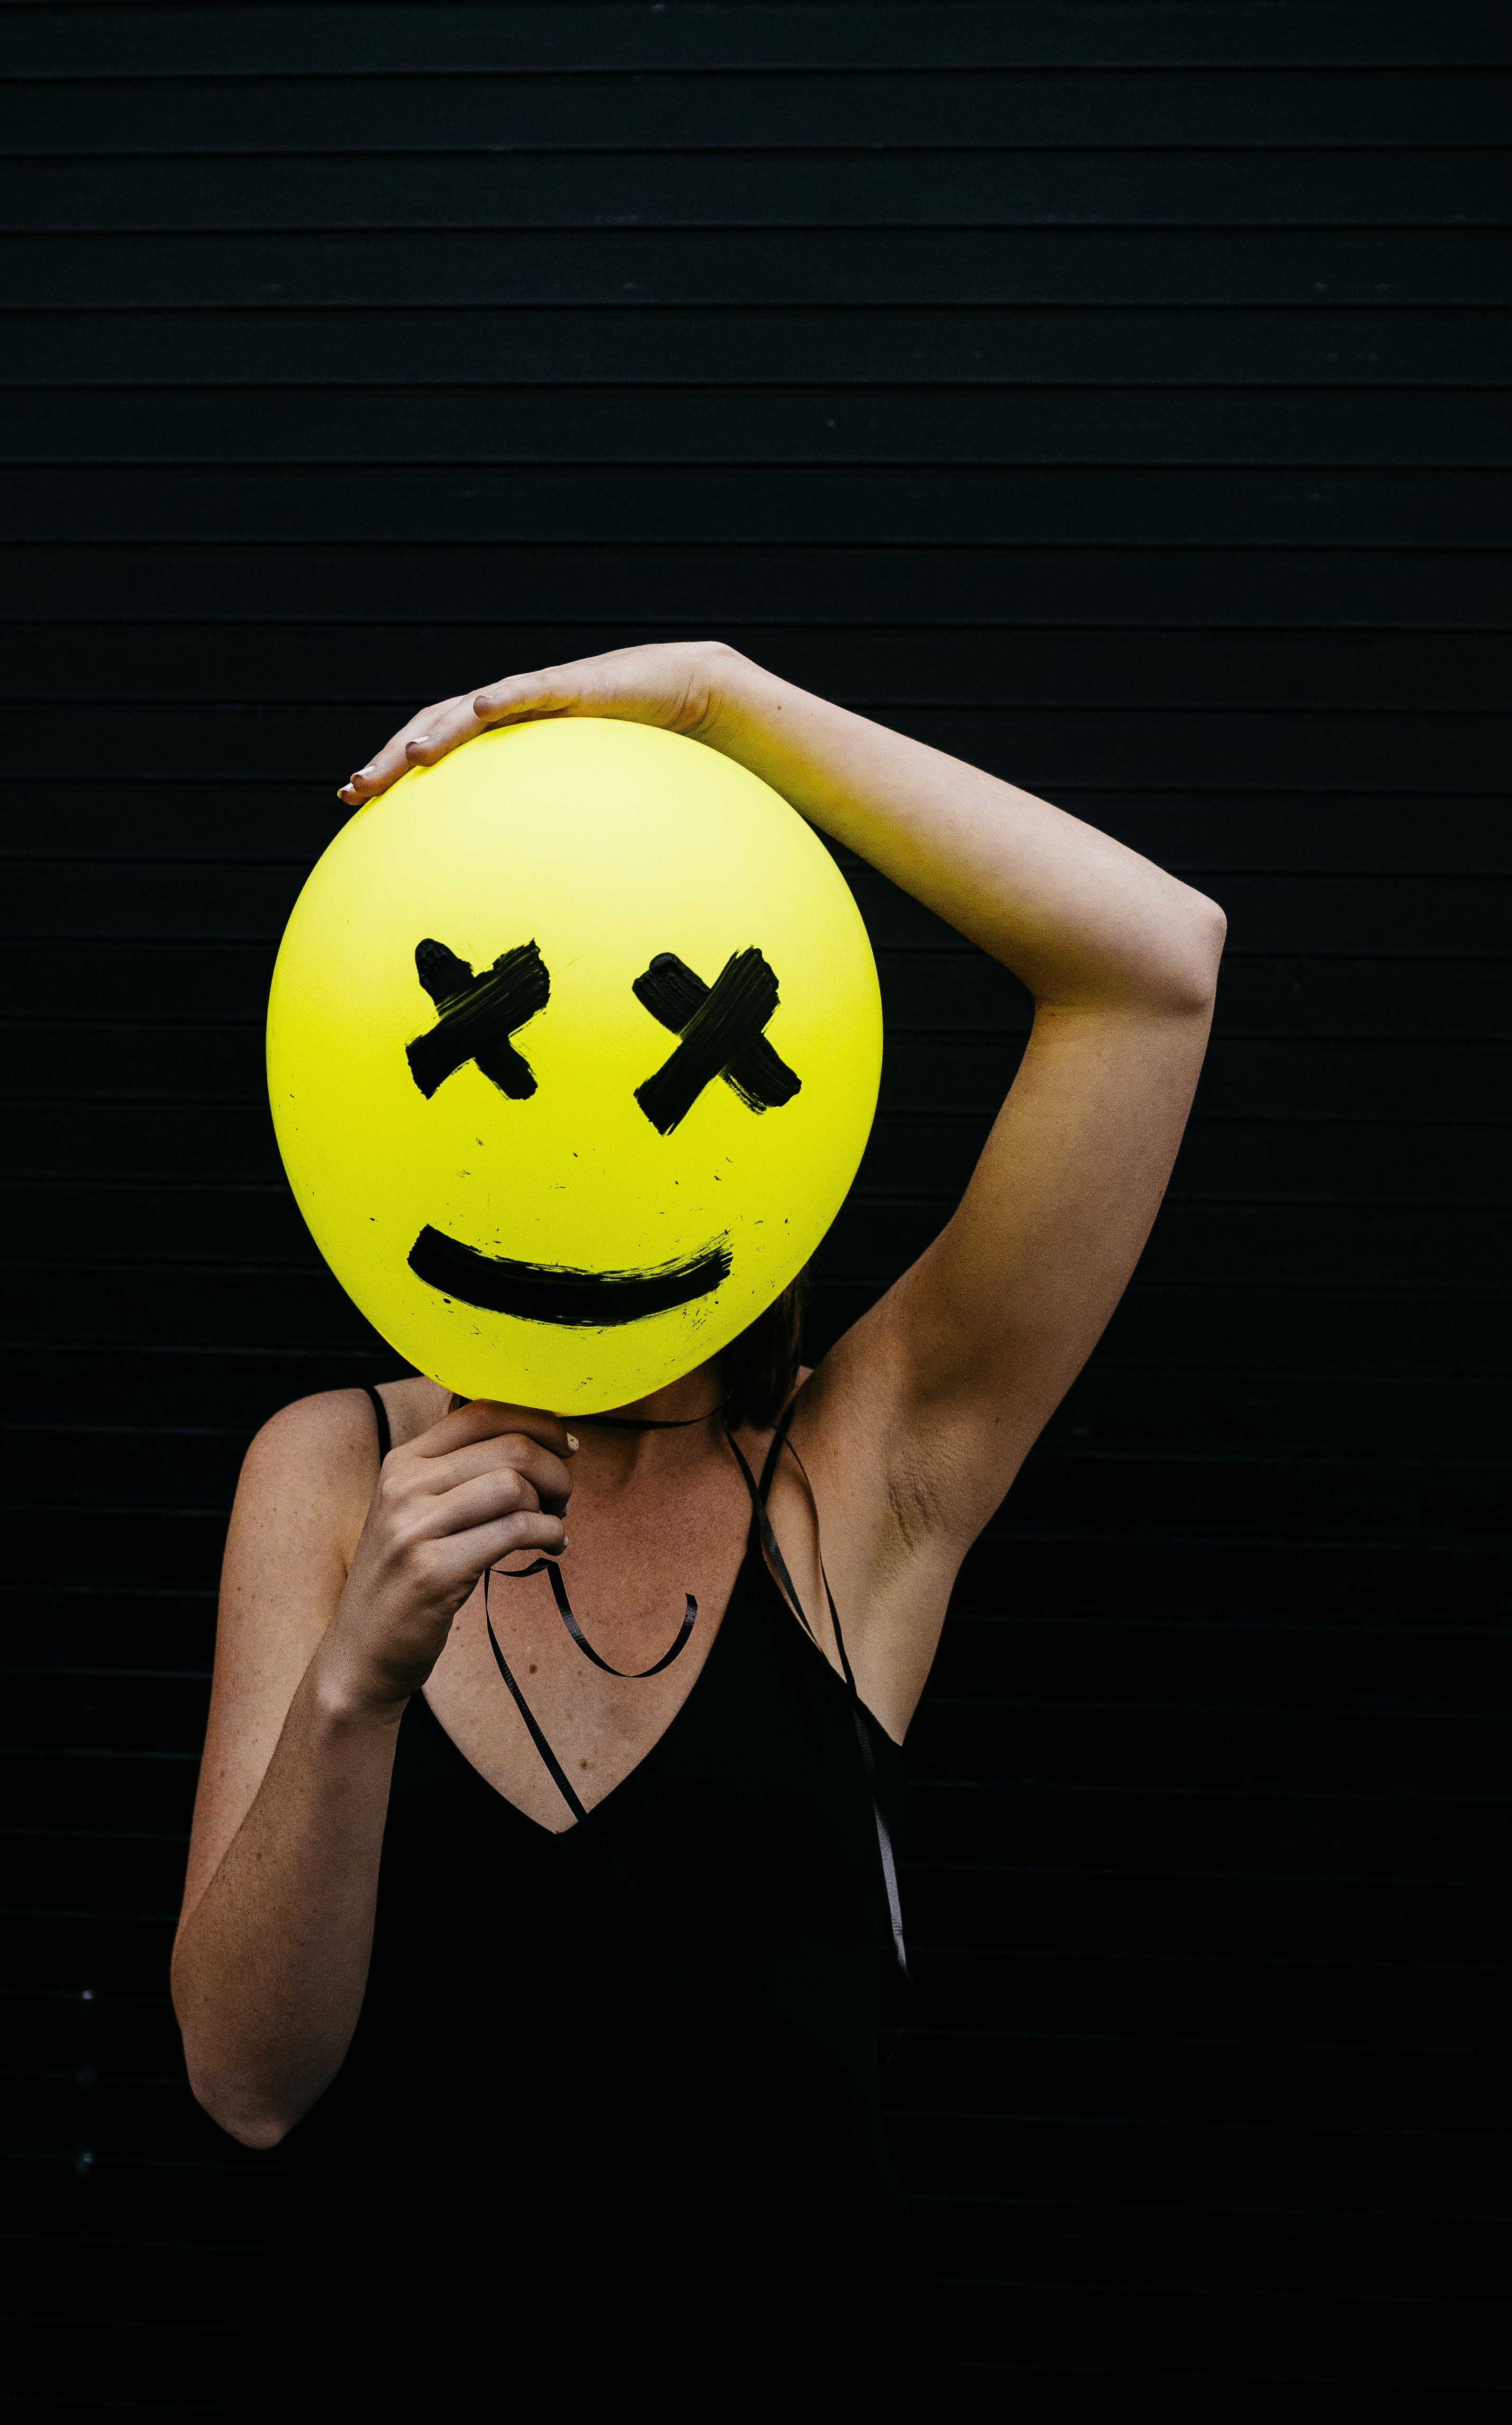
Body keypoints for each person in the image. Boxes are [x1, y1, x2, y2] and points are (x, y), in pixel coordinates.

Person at [171, 643, 1224, 2396]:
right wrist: (354, 1681)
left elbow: (1152, 968)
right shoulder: (330, 1470)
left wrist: (720, 701)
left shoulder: (862, 1476)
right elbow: (246, 2081)